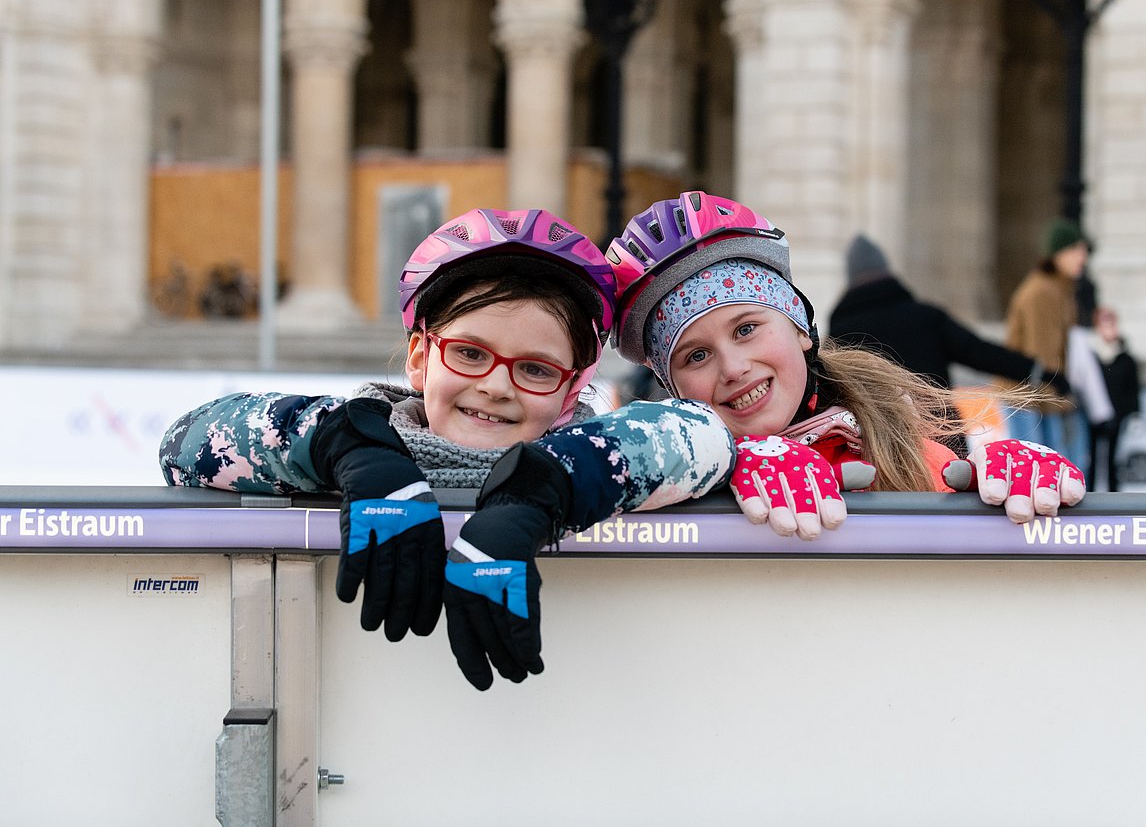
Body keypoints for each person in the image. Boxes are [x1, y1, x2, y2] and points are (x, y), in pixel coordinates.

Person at [160, 207, 740, 690]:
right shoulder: (355, 445)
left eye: (535, 369)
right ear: (419, 356)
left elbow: (700, 436)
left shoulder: (593, 457)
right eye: (469, 353)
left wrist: (540, 493)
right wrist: (352, 448)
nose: (494, 384)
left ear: (570, 389)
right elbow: (186, 441)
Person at [598, 190, 1086, 521]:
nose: (733, 367)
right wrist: (723, 468)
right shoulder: (664, 463)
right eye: (695, 356)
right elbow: (585, 467)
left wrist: (1001, 502)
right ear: (674, 386)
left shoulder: (888, 438)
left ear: (801, 331)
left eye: (746, 328)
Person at [827, 232, 1070, 456]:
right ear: (888, 272)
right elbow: (981, 352)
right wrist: (1040, 373)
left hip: (878, 441)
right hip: (940, 434)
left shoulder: (842, 332)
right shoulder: (926, 317)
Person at [999, 218, 1089, 467]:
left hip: (1041, 396)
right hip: (1026, 398)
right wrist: (1060, 401)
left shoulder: (1060, 291)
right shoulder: (1042, 292)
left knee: (1051, 471)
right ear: (1056, 254)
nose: (1082, 258)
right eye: (1075, 250)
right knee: (1037, 472)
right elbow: (1042, 357)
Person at [1087, 306, 1141, 491]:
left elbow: (1132, 388)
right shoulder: (1089, 355)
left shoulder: (1125, 358)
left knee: (1113, 460)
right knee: (1090, 459)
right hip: (1091, 416)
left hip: (1117, 415)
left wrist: (1133, 412)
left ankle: (1113, 495)